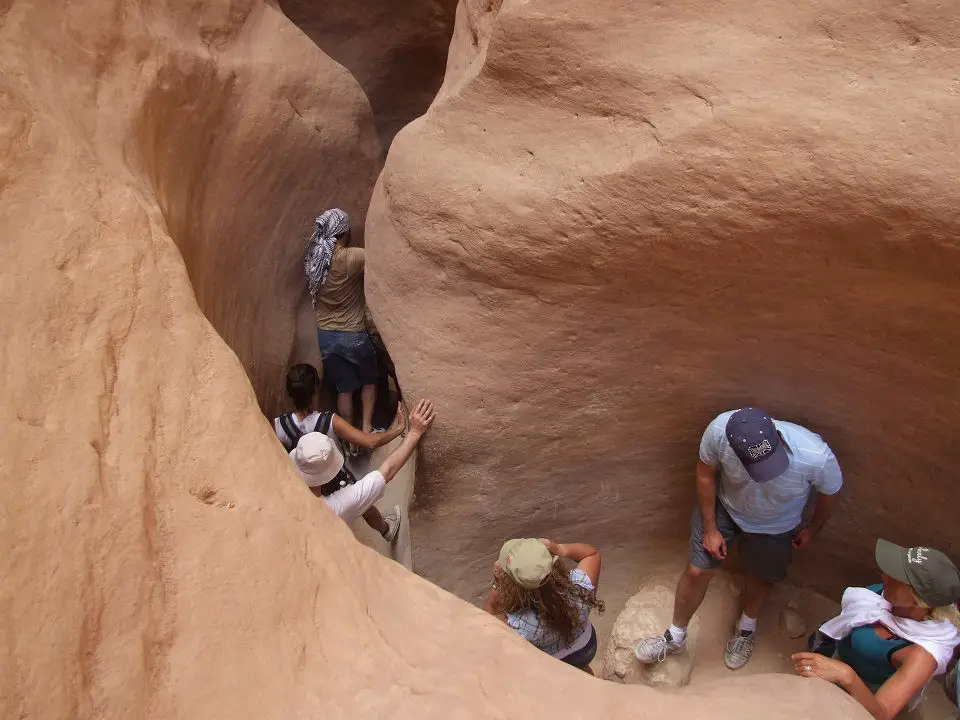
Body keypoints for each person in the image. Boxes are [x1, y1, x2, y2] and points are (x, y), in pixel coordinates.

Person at [634, 407, 843, 670]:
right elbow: (705, 473)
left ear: (778, 437)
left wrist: (813, 528)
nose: (766, 475)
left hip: (777, 524)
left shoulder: (814, 455)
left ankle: (746, 628)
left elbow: (830, 493)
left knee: (762, 575)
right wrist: (710, 528)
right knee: (697, 571)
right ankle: (675, 636)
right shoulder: (719, 432)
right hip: (727, 507)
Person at [793, 539, 960, 719]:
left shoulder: (922, 654)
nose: (884, 576)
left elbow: (882, 712)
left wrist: (845, 675)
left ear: (916, 601)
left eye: (897, 578)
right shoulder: (887, 598)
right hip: (839, 656)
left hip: (862, 693)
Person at [290, 399, 436, 543]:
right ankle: (386, 528)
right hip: (329, 540)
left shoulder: (286, 480)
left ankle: (386, 528)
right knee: (363, 502)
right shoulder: (340, 504)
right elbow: (387, 471)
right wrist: (415, 432)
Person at [304, 208, 379, 434]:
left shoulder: (314, 262)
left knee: (344, 389)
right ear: (343, 233)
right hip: (353, 333)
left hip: (326, 334)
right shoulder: (352, 257)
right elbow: (381, 257)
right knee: (369, 381)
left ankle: (349, 437)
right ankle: (366, 429)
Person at [483, 538, 604, 673]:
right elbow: (591, 554)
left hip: (552, 664)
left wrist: (497, 585)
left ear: (512, 586)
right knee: (581, 668)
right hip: (585, 648)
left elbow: (490, 620)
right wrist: (560, 549)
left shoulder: (519, 624)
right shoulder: (579, 589)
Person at [273, 364, 406, 454]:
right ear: (316, 390)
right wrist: (399, 428)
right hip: (333, 482)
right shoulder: (330, 421)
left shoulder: (279, 425)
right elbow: (370, 442)